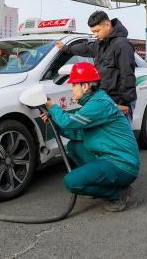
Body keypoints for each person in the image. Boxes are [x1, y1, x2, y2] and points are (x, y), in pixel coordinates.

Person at [41, 62, 140, 211]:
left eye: (74, 85)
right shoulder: (95, 101)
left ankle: (118, 194)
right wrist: (54, 122)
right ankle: (99, 183)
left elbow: (68, 122)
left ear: (85, 86)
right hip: (114, 158)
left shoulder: (98, 104)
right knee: (74, 146)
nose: (72, 89)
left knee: (71, 182)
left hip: (123, 165)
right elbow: (76, 133)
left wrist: (52, 107)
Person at [55, 10, 136, 117]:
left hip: (118, 103)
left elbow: (127, 75)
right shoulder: (101, 44)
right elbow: (85, 48)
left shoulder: (122, 45)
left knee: (119, 128)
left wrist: (124, 103)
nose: (95, 35)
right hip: (105, 100)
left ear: (107, 25)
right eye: (93, 32)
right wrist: (66, 48)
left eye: (97, 31)